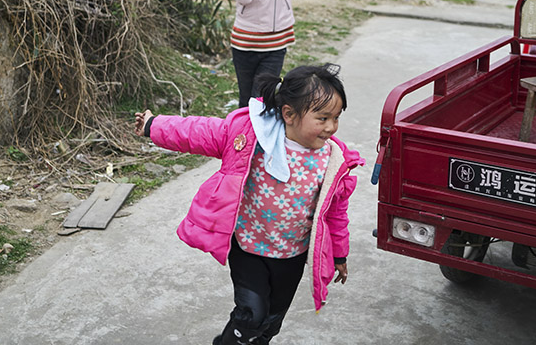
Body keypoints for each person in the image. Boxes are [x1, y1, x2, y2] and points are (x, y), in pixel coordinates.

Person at [134, 64, 364, 344]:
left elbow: (336, 215)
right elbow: (198, 132)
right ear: (289, 114)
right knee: (251, 315)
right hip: (248, 247)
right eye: (322, 118)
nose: (331, 127)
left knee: (270, 324)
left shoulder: (334, 161)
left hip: (291, 255)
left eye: (336, 118)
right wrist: (153, 125)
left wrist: (339, 255)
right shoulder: (251, 137)